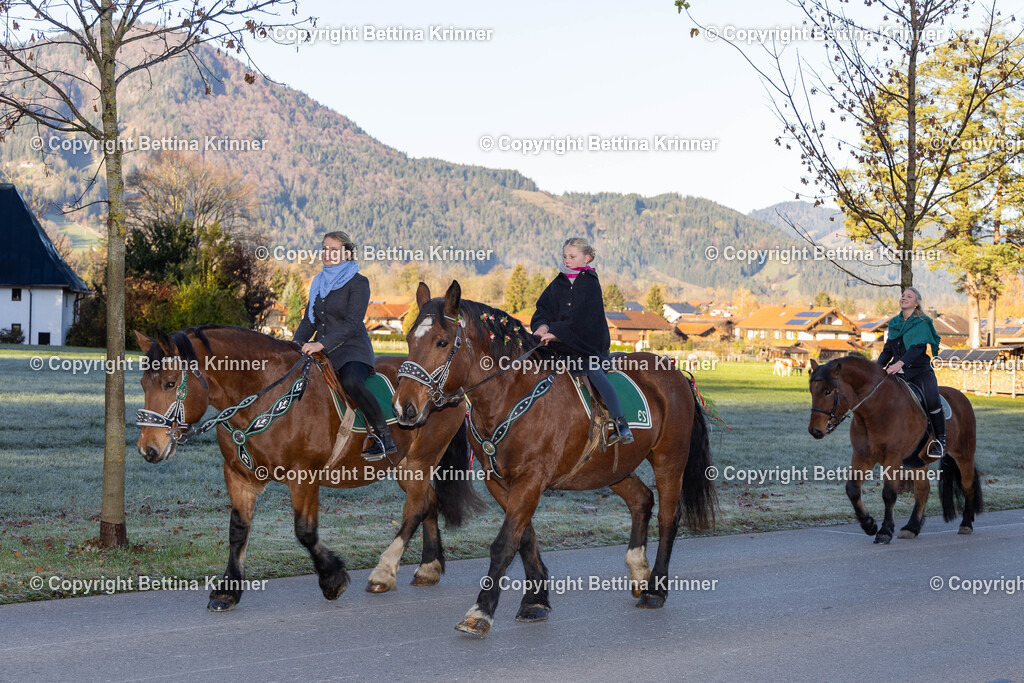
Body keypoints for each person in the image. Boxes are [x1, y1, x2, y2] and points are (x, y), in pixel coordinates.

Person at [293, 231, 396, 457]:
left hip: (352, 350)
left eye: (334, 250)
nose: (327, 254)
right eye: (324, 249)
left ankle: (383, 435)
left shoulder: (359, 282)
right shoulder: (318, 282)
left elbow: (351, 324)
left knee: (351, 381)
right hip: (323, 349)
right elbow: (310, 320)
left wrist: (321, 344)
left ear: (347, 254)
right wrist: (293, 346)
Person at [531, 237, 633, 445]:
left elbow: (581, 317)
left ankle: (620, 422)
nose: (567, 260)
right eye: (565, 256)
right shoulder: (557, 283)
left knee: (592, 370)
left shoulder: (590, 284)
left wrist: (556, 332)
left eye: (572, 256)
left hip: (586, 344)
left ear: (586, 258)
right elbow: (543, 308)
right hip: (558, 343)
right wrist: (541, 326)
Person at [876, 286, 944, 468]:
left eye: (909, 296)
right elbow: (888, 350)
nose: (904, 297)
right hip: (897, 373)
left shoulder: (922, 322)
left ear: (916, 303)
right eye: (903, 295)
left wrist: (899, 364)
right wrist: (875, 369)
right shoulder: (894, 323)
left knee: (932, 399)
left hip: (920, 372)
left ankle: (939, 441)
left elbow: (917, 349)